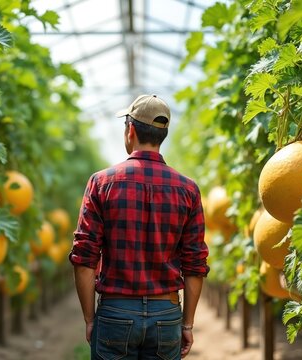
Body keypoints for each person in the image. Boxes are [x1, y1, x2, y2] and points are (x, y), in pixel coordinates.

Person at [69, 94, 210, 359]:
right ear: (163, 135)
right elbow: (195, 263)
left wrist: (90, 319)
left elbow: (84, 257)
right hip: (166, 315)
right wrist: (187, 324)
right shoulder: (188, 189)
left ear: (130, 130)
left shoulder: (101, 183)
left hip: (115, 313)